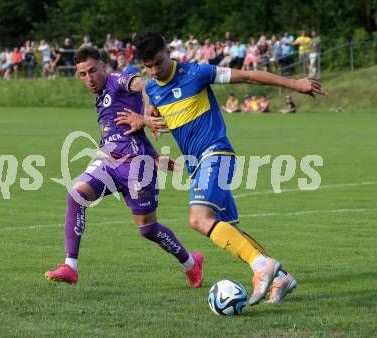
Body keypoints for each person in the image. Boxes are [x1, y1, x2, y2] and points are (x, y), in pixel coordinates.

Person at [124, 32, 324, 305]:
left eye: (159, 62)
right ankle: (281, 278)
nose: (155, 70)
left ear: (168, 50)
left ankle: (261, 265)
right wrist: (148, 120)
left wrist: (296, 83)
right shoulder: (154, 88)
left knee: (198, 219)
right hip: (196, 165)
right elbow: (157, 108)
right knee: (229, 230)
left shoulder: (198, 73)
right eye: (149, 66)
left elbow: (250, 76)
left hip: (216, 154)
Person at [44, 47, 203, 288]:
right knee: (76, 195)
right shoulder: (101, 98)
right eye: (83, 74)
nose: (89, 78)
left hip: (138, 169)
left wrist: (146, 117)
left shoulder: (118, 79)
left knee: (148, 229)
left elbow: (148, 85)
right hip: (108, 162)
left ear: (104, 66)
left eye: (93, 71)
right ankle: (70, 267)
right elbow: (127, 135)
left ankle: (191, 263)